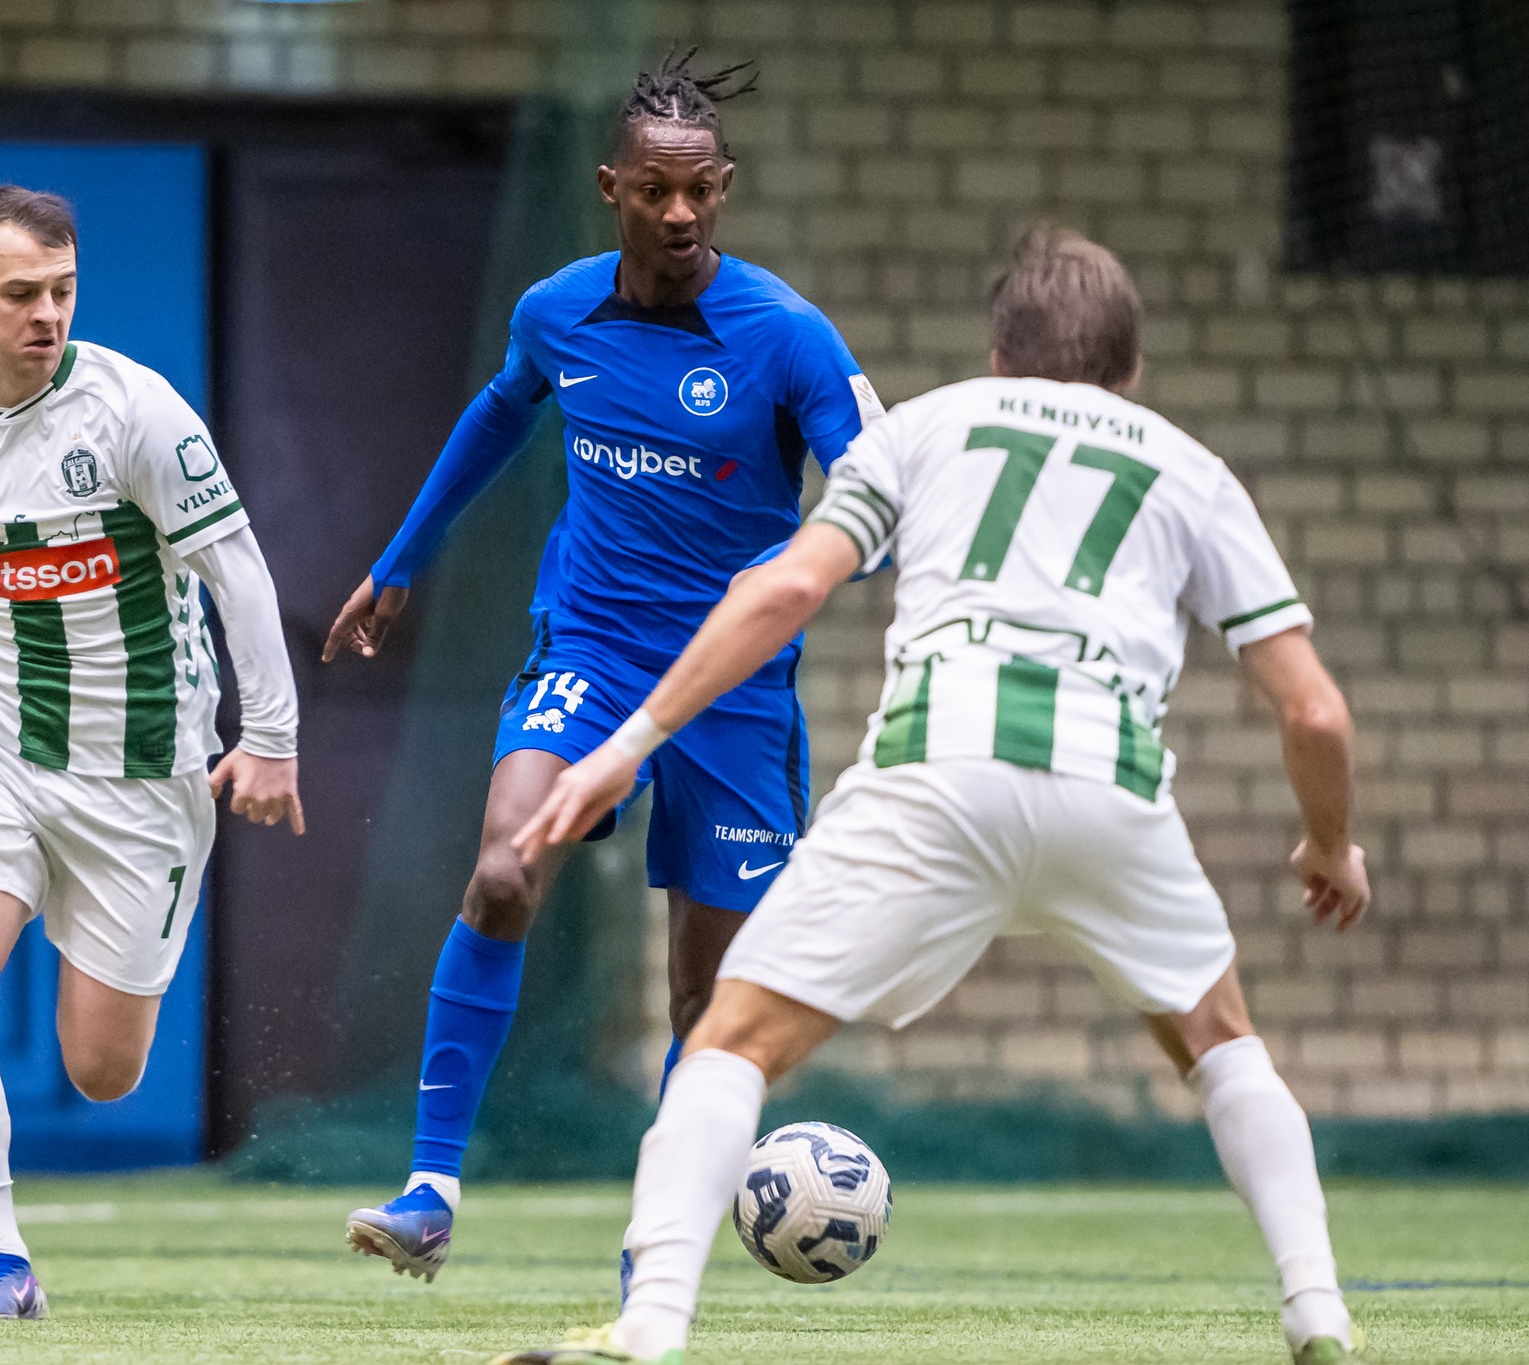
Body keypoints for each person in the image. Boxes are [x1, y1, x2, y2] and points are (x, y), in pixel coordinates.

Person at [498, 225, 1369, 1365]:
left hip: (934, 775)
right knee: (1221, 1045)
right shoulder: (1189, 470)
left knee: (729, 1043)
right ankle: (1318, 1316)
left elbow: (782, 591)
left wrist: (631, 743)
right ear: (1130, 370)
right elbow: (1316, 714)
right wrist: (1328, 845)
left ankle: (648, 1327)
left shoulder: (922, 427)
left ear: (999, 356)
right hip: (1107, 792)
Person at [324, 50, 884, 1283]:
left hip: (735, 692)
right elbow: (500, 410)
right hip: (591, 652)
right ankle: (429, 1189)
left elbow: (870, 489)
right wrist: (402, 558)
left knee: (709, 1002)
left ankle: (654, 1251)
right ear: (609, 187)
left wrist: (842, 554)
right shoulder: (554, 312)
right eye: (653, 190)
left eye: (700, 190)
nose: (679, 213)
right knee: (503, 871)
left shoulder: (787, 336)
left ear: (723, 186)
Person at [0, 185, 304, 1320]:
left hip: (143, 777)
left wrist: (272, 739)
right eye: (21, 293)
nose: (47, 314)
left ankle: (85, 945)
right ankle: (1, 1261)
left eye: (63, 291)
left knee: (101, 1068)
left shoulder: (136, 410)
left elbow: (238, 573)